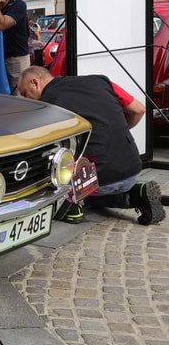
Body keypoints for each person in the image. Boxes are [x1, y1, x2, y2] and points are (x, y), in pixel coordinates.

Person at [17, 66, 164, 226]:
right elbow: (139, 109)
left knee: (48, 169)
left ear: (35, 83)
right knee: (100, 191)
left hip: (94, 181)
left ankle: (72, 204)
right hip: (133, 170)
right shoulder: (101, 81)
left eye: (25, 93)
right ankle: (137, 193)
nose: (27, 100)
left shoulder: (47, 104)